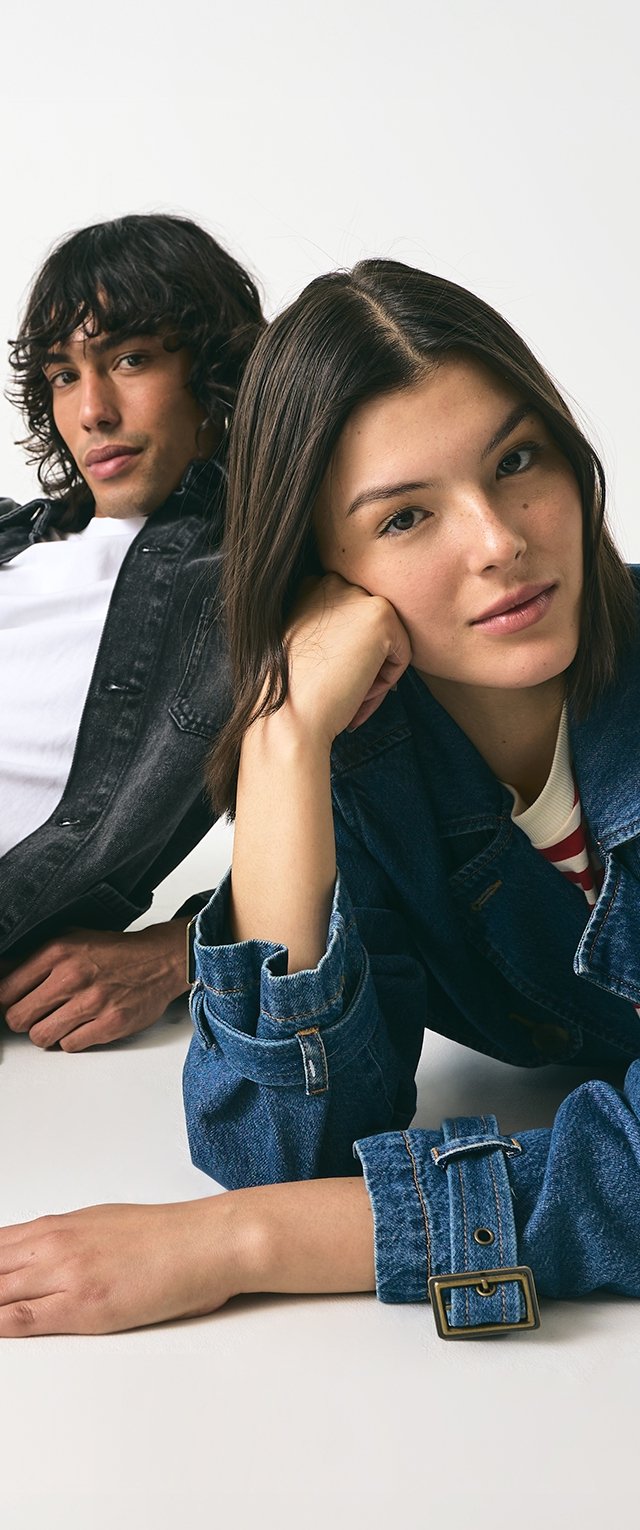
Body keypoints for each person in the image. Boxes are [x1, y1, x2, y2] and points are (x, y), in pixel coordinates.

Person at [2, 259, 640, 1339]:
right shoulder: (371, 762)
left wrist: (243, 1246)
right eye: (403, 519)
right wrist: (286, 737)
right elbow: (284, 1147)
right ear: (320, 572)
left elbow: (275, 1202)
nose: (499, 544)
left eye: (516, 461)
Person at [0, 213, 264, 1051]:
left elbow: (397, 846)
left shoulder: (254, 579)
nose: (92, 411)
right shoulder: (19, 536)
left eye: (129, 359)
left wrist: (179, 952)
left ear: (212, 370)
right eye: (62, 374)